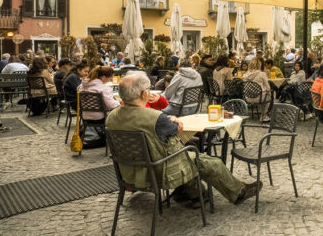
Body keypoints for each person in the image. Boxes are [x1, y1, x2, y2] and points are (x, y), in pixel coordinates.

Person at [105, 72, 261, 207]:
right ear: (144, 94)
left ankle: (195, 193)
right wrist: (173, 119)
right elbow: (176, 131)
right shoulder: (156, 118)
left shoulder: (111, 117)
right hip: (160, 169)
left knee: (189, 152)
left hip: (129, 171)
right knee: (211, 162)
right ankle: (238, 191)